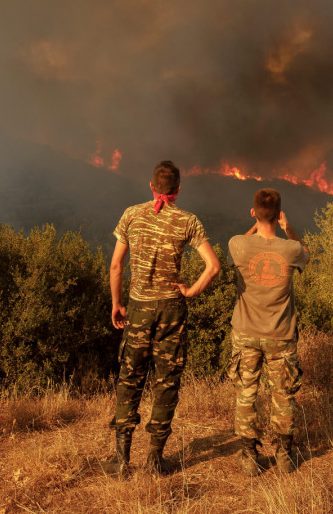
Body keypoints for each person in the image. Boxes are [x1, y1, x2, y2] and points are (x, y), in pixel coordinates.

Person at [101, 160, 221, 478]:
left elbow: (115, 266)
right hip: (171, 308)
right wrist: (191, 290)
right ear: (178, 190)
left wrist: (117, 303)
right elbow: (213, 266)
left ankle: (120, 460)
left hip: (139, 307)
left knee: (130, 381)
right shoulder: (188, 221)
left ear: (151, 188)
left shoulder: (131, 214)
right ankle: (155, 460)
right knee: (166, 383)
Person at [226, 188, 309, 476]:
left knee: (245, 394)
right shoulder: (291, 249)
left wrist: (257, 225)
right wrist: (288, 228)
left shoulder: (238, 244)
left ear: (253, 212)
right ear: (279, 214)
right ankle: (284, 455)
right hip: (281, 335)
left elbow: (246, 239)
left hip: (245, 332)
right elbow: (306, 253)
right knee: (283, 395)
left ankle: (249, 456)